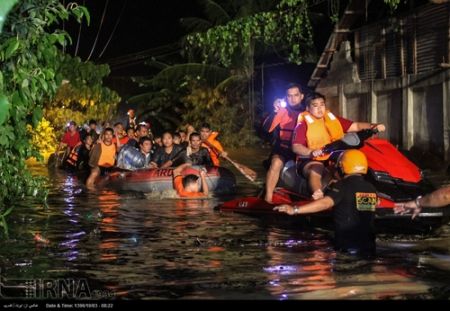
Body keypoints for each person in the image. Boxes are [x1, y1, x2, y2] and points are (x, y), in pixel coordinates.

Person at [274, 149, 377, 257]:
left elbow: (325, 203)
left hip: (347, 247)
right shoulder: (371, 188)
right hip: (368, 247)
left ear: (342, 167)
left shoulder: (342, 186)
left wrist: (294, 210)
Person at [292, 92, 386, 200]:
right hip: (310, 159)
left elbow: (355, 126)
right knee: (317, 167)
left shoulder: (332, 119)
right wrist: (311, 152)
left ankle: (365, 193)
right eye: (315, 105)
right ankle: (318, 195)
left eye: (322, 104)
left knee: (353, 161)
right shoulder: (302, 125)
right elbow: (296, 146)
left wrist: (373, 126)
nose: (320, 109)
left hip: (332, 155)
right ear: (308, 108)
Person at [263, 83, 306, 203]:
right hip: (283, 148)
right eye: (289, 96)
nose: (293, 98)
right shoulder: (281, 111)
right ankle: (268, 198)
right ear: (286, 98)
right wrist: (275, 112)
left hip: (303, 149)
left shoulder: (308, 111)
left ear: (301, 96)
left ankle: (315, 196)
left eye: (296, 95)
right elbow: (267, 128)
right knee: (276, 163)